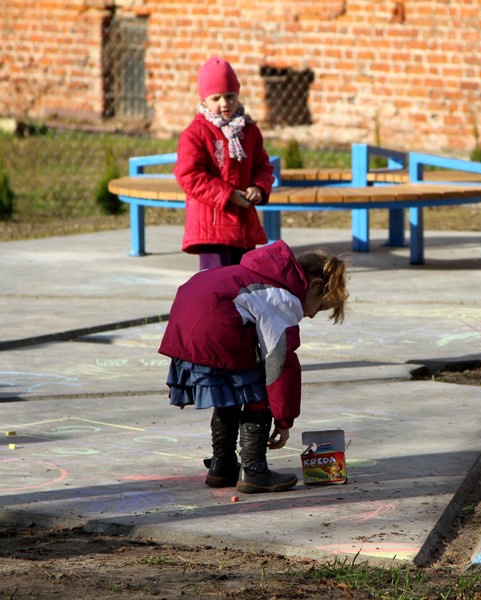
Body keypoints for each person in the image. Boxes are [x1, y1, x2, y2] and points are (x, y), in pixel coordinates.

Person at [158, 240, 349, 494]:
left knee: (231, 387)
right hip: (214, 329)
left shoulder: (250, 274)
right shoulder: (282, 298)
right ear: (314, 285)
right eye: (320, 307)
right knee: (262, 380)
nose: (312, 315)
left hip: (183, 332)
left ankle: (222, 465)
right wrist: (284, 419)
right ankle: (254, 470)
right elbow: (280, 365)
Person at [174, 56, 275, 271]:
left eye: (230, 96)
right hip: (211, 226)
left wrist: (258, 187)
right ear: (204, 101)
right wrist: (228, 195)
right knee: (215, 284)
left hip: (243, 225)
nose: (224, 104)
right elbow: (189, 175)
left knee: (244, 283)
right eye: (216, 98)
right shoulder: (196, 133)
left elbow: (263, 166)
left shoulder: (248, 131)